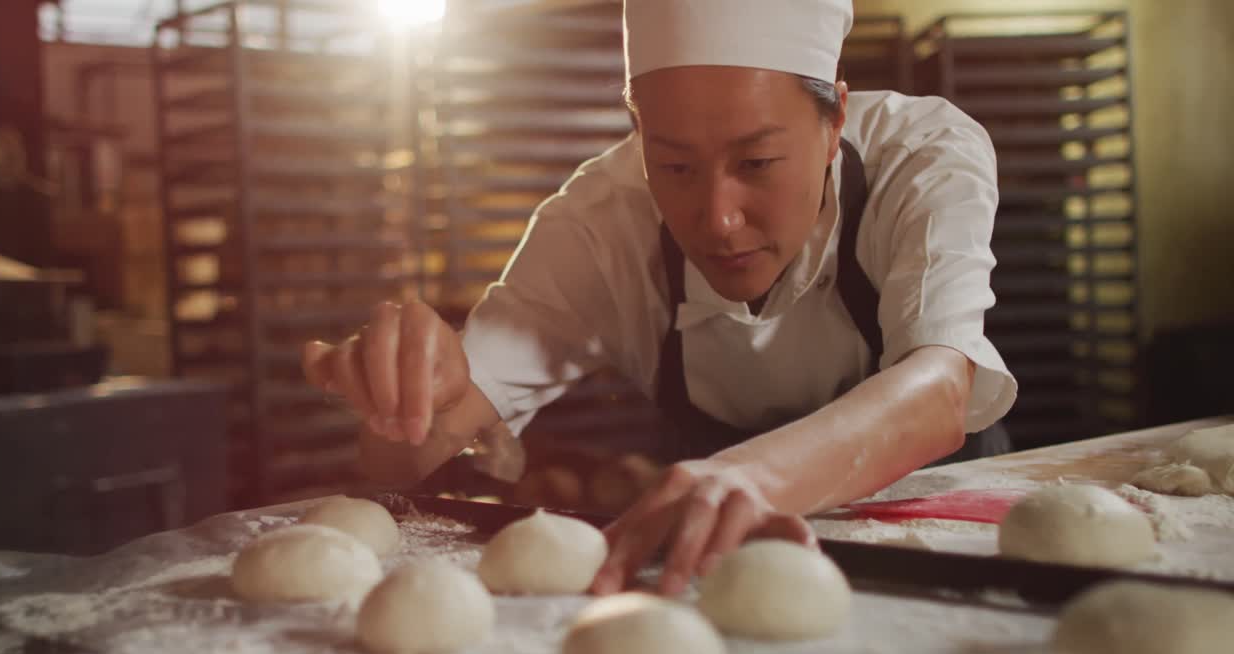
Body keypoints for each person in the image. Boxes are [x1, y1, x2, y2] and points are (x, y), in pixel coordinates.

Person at [303, 0, 1017, 597]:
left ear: (835, 123)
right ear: (638, 133)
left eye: (756, 163)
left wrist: (748, 475)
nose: (718, 218)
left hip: (940, 549)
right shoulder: (597, 224)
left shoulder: (923, 155)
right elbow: (402, 461)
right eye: (673, 165)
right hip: (712, 572)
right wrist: (404, 397)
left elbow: (940, 390)